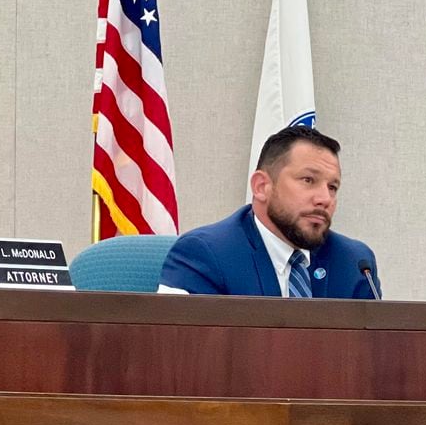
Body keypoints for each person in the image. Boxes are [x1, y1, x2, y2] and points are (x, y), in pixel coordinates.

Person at [158, 126, 380, 299]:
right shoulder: (205, 254)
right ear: (261, 186)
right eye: (308, 180)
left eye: (332, 187)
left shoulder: (355, 263)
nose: (324, 199)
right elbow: (178, 349)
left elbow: (372, 352)